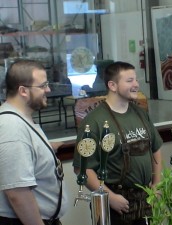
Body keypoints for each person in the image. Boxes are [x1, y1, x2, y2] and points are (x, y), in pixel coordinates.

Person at [73, 61, 163, 225]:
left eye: (136, 80)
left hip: (145, 199)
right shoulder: (94, 122)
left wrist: (157, 184)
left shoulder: (141, 114)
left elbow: (155, 149)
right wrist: (110, 197)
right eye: (129, 81)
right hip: (115, 204)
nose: (136, 84)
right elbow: (82, 169)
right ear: (112, 85)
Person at [0, 59, 68, 225]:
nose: (48, 89)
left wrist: (46, 149)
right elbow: (18, 193)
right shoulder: (11, 127)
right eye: (43, 85)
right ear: (23, 90)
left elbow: (23, 151)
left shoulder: (21, 120)